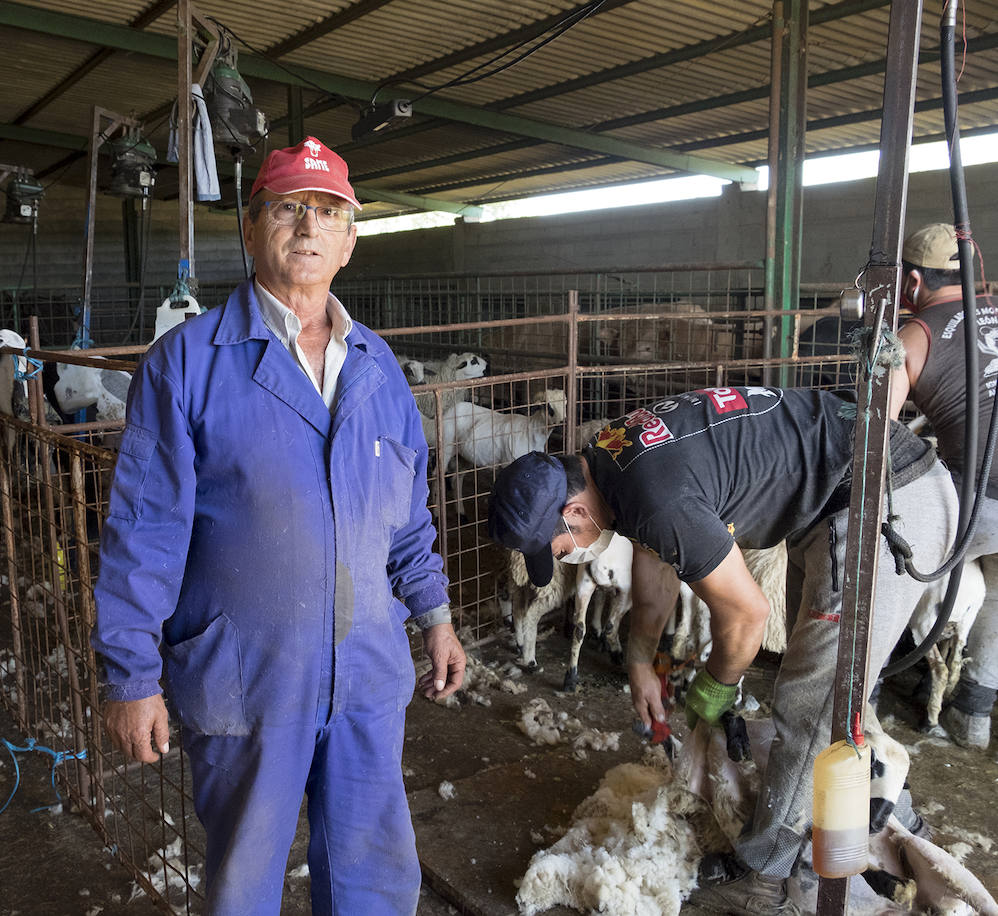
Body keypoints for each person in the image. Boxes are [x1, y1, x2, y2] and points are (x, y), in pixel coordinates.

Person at [92, 136, 466, 915]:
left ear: (351, 239)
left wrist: (434, 616)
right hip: (248, 673)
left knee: (372, 873)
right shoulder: (187, 364)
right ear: (251, 227)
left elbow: (406, 517)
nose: (308, 226)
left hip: (365, 671)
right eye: (288, 208)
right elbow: (144, 530)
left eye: (328, 211)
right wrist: (131, 675)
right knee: (243, 878)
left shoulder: (378, 366)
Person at [489, 386, 956, 914]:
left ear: (574, 510)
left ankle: (770, 882)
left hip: (883, 497)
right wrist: (641, 660)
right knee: (831, 679)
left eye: (559, 546)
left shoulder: (654, 496)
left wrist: (712, 692)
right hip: (835, 494)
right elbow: (658, 559)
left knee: (813, 700)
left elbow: (747, 616)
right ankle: (885, 811)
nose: (568, 556)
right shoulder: (611, 455)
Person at [890, 222, 998, 749]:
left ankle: (857, 692)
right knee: (997, 588)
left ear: (912, 281)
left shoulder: (916, 332)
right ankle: (973, 715)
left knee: (880, 568)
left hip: (982, 497)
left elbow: (879, 432)